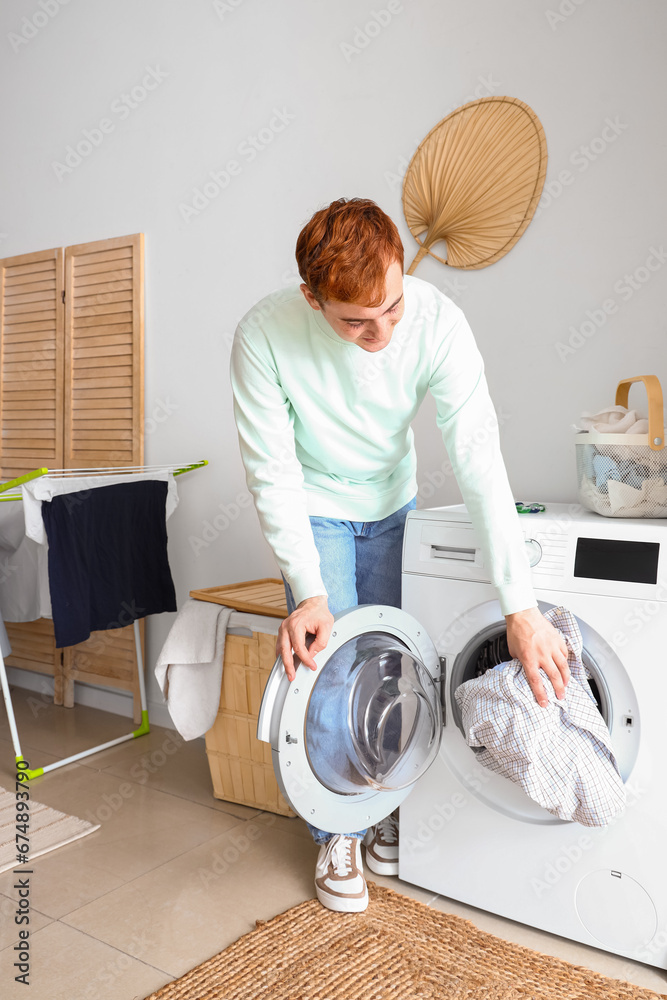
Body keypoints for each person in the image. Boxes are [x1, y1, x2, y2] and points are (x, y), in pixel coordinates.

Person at [230, 197, 570, 913]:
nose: (380, 330)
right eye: (355, 320)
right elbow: (272, 470)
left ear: (399, 270)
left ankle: (380, 804)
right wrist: (308, 589)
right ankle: (337, 833)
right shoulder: (264, 334)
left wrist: (521, 606)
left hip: (392, 503)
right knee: (330, 668)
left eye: (390, 306)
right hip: (316, 504)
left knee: (394, 664)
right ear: (311, 299)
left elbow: (478, 459)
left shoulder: (437, 321)